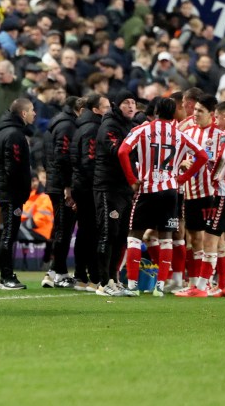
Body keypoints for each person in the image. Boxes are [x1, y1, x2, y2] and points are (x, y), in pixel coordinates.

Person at [117, 97, 208, 297]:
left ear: (156, 111)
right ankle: (160, 287)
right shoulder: (179, 134)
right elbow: (202, 156)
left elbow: (122, 151)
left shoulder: (143, 129)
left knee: (134, 236)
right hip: (170, 190)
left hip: (147, 189)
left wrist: (132, 179)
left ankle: (132, 286)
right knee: (166, 237)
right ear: (173, 113)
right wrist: (182, 178)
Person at [177, 102, 225, 297]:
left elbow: (222, 158)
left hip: (224, 193)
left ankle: (201, 288)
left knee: (210, 240)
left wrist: (214, 175)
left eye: (218, 118)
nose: (216, 122)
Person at [93, 90, 137, 296]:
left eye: (133, 102)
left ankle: (114, 278)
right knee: (108, 233)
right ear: (116, 106)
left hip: (125, 188)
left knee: (120, 236)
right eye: (126, 102)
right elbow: (117, 151)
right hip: (108, 187)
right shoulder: (109, 125)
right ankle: (103, 283)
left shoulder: (131, 126)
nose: (130, 106)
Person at [177, 94, 221, 292]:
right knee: (193, 239)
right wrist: (183, 162)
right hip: (190, 193)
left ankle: (213, 282)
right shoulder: (188, 131)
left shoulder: (219, 134)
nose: (195, 114)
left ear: (211, 114)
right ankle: (195, 283)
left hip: (210, 193)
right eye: (194, 110)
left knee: (211, 240)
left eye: (200, 111)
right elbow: (178, 154)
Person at [0, 97, 35, 290]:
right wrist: (22, 189)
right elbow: (14, 167)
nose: (35, 113)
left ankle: (7, 274)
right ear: (23, 113)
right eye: (32, 110)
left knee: (8, 233)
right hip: (11, 193)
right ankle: (6, 276)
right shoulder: (14, 135)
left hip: (7, 190)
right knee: (9, 234)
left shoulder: (5, 132)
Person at [70, 93, 110, 292]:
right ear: (96, 110)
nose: (110, 110)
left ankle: (81, 275)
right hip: (89, 187)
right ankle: (93, 277)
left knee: (85, 232)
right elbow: (89, 161)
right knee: (92, 232)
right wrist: (95, 187)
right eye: (106, 106)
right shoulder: (94, 130)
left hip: (81, 185)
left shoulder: (81, 127)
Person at [41, 97, 81, 289]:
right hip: (62, 186)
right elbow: (63, 157)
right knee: (63, 230)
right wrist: (67, 186)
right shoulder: (67, 126)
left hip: (54, 183)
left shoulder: (55, 124)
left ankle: (52, 272)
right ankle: (60, 273)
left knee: (60, 229)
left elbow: (45, 155)